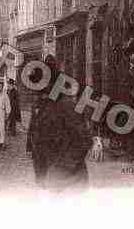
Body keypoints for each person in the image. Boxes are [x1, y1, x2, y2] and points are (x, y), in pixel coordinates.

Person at [32, 55, 93, 194]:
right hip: (50, 178)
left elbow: (84, 140)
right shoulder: (43, 106)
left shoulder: (67, 106)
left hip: (69, 182)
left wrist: (60, 169)